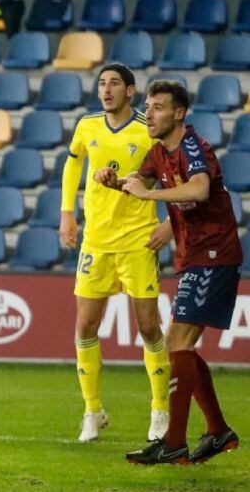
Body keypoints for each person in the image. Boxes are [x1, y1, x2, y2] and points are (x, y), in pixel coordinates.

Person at [96, 80, 242, 465]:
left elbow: (198, 191)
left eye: (158, 107)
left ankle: (174, 441)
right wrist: (116, 185)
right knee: (182, 345)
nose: (150, 114)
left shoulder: (194, 146)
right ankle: (217, 431)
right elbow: (140, 182)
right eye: (149, 106)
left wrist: (149, 196)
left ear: (178, 113)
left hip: (214, 252)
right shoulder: (158, 152)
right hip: (193, 254)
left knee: (176, 338)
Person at [59, 64, 173, 443]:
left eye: (113, 84)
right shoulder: (87, 126)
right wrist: (66, 215)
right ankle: (92, 411)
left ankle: (160, 410)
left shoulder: (148, 130)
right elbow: (73, 162)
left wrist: (169, 224)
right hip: (96, 240)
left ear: (130, 90)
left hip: (138, 240)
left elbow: (171, 178)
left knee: (148, 327)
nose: (105, 90)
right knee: (85, 326)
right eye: (101, 83)